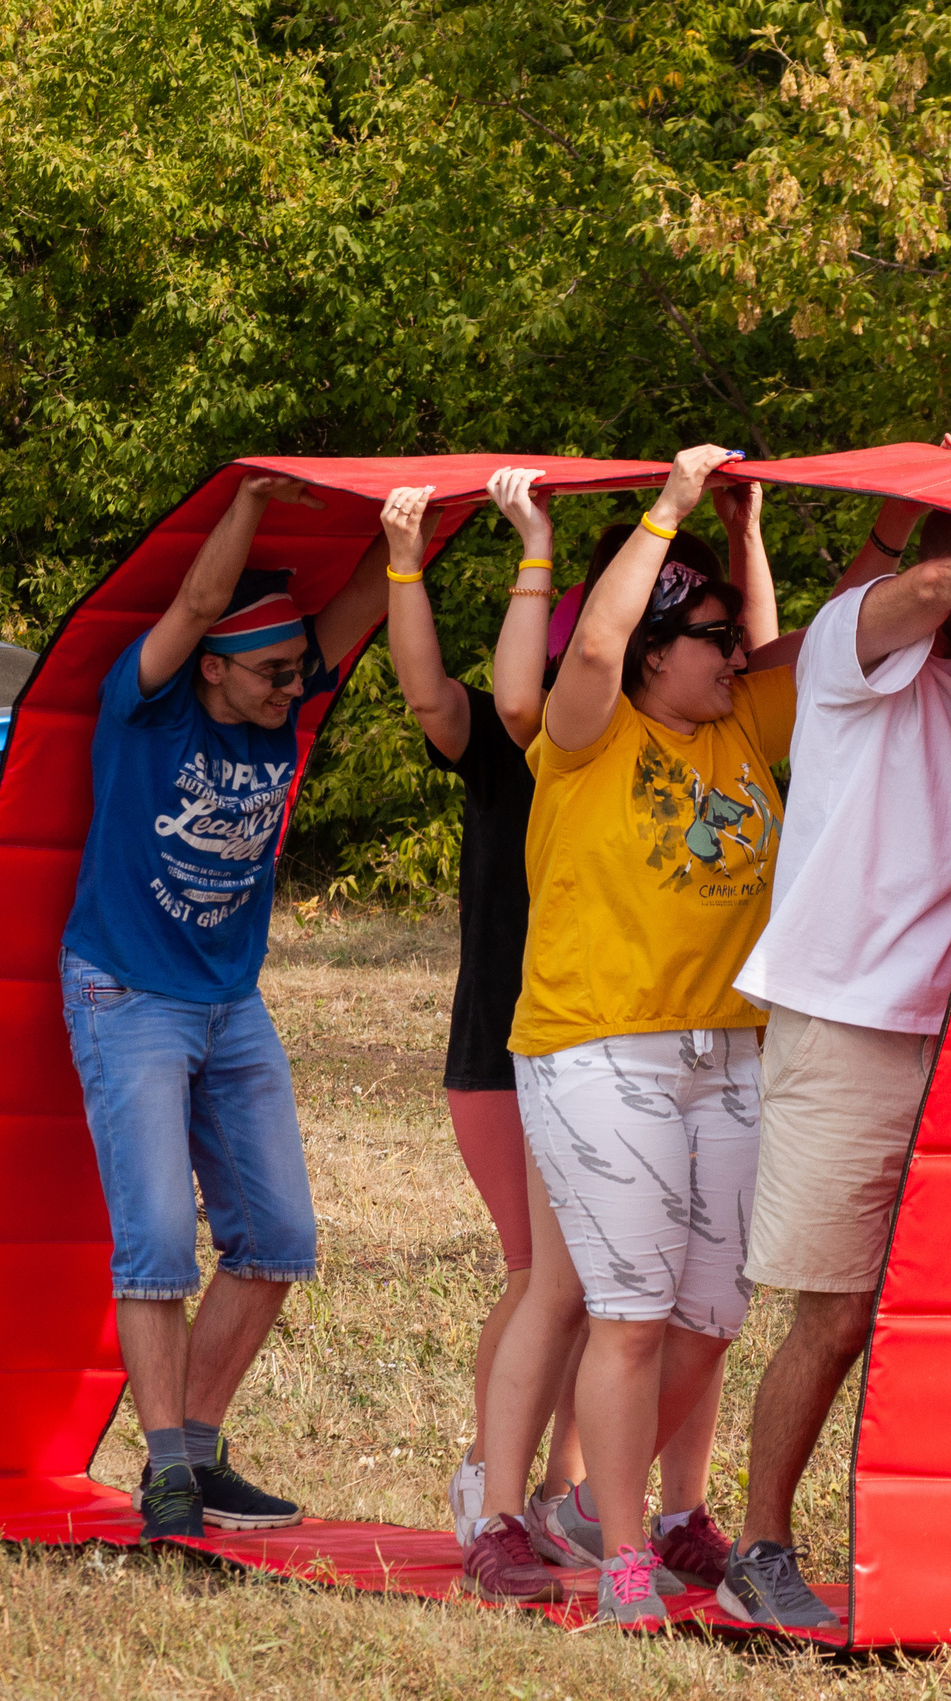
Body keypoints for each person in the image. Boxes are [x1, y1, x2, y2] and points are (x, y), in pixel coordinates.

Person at [464, 442, 796, 1629]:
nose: (737, 654)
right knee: (630, 1312)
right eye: (709, 636)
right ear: (660, 651)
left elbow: (797, 647)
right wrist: (669, 506)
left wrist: (761, 532)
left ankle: (641, 1513)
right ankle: (612, 1560)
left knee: (710, 1320)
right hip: (599, 1050)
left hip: (730, 1054)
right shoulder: (584, 733)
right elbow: (593, 647)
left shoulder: (740, 724)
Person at [716, 507, 951, 1627]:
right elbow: (936, 580)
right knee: (836, 1316)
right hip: (845, 1019)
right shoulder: (857, 643)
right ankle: (760, 1551)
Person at [58, 471, 387, 1540]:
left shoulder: (273, 708)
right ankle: (163, 1475)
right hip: (129, 991)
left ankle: (195, 1452)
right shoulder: (144, 706)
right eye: (274, 672)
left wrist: (423, 523)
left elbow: (374, 594)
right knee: (155, 1240)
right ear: (214, 669)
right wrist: (249, 496)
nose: (296, 686)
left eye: (301, 669)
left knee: (280, 1237)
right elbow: (198, 605)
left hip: (229, 1002)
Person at [368, 483, 589, 1540]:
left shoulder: (643, 753)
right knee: (542, 1271)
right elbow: (427, 694)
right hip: (503, 1050)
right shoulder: (511, 743)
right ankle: (485, 1480)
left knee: (598, 1281)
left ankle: (559, 1495)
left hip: (598, 1040)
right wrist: (404, 561)